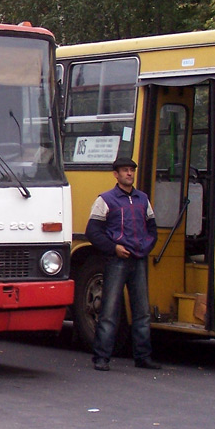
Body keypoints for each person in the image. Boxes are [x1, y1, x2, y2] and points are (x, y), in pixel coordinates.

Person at [86, 156, 161, 371]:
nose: (129, 173)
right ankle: (101, 358)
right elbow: (93, 231)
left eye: (131, 170)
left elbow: (152, 229)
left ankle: (143, 357)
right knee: (109, 310)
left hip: (138, 259)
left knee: (142, 311)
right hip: (116, 260)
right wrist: (114, 248)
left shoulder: (143, 199)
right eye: (125, 170)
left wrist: (146, 247)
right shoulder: (105, 199)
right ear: (116, 175)